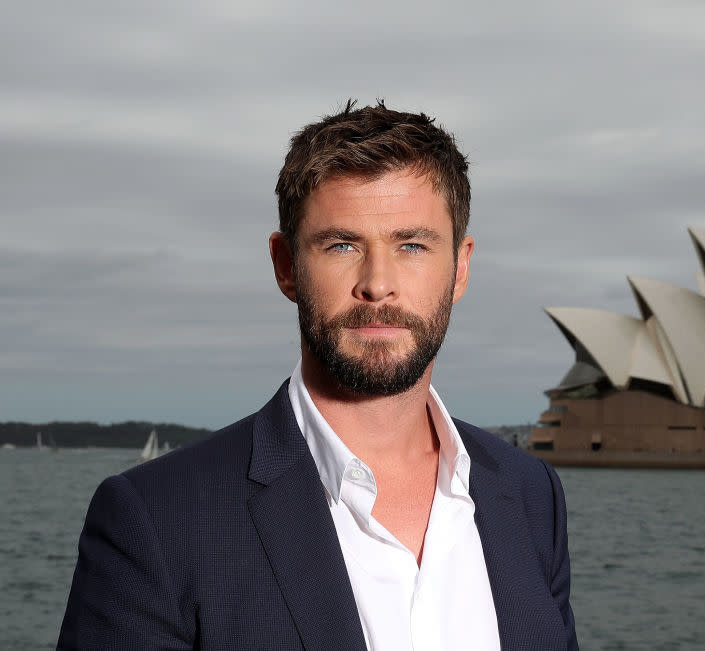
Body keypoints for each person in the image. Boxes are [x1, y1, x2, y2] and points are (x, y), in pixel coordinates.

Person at [58, 101, 578, 651]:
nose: (378, 284)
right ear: (285, 266)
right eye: (342, 245)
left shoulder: (529, 495)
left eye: (412, 245)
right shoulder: (157, 519)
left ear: (461, 267)